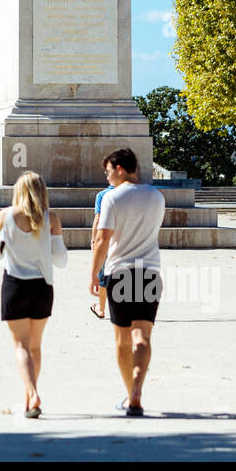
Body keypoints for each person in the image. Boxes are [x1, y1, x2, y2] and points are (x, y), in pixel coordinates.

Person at [90, 147, 165, 418]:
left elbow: (102, 239)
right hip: (149, 271)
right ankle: (136, 391)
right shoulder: (156, 197)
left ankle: (130, 393)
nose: (107, 176)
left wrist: (93, 274)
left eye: (108, 171)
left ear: (120, 169)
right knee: (143, 336)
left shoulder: (112, 198)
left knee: (122, 340)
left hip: (120, 272)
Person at [0, 171, 67, 419]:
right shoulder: (50, 218)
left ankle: (32, 394)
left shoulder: (5, 215)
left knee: (20, 345)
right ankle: (28, 399)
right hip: (42, 285)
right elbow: (60, 259)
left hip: (14, 285)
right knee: (35, 346)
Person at [89, 167, 125, 320]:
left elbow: (98, 219)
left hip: (107, 239)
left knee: (104, 273)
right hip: (123, 238)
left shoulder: (102, 195)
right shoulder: (127, 194)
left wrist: (93, 239)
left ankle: (101, 308)